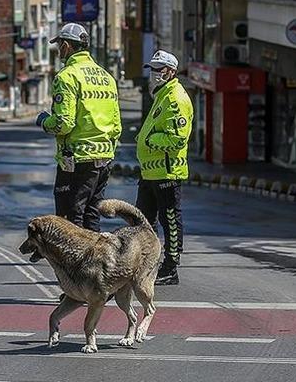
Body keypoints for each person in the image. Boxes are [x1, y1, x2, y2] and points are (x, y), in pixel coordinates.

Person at [36, 23, 122, 232]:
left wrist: (44, 122)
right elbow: (117, 125)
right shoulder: (106, 77)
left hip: (76, 160)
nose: (58, 51)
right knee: (92, 214)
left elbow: (63, 124)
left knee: (70, 218)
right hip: (104, 159)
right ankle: (96, 262)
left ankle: (76, 263)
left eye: (59, 47)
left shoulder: (67, 77)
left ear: (66, 46)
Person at [135, 50, 193, 286]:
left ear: (170, 72)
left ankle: (170, 267)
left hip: (167, 171)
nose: (154, 74)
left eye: (159, 69)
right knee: (142, 220)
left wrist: (149, 141)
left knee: (170, 219)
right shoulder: (162, 95)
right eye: (152, 69)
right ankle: (144, 263)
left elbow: (178, 139)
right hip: (150, 172)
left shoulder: (176, 98)